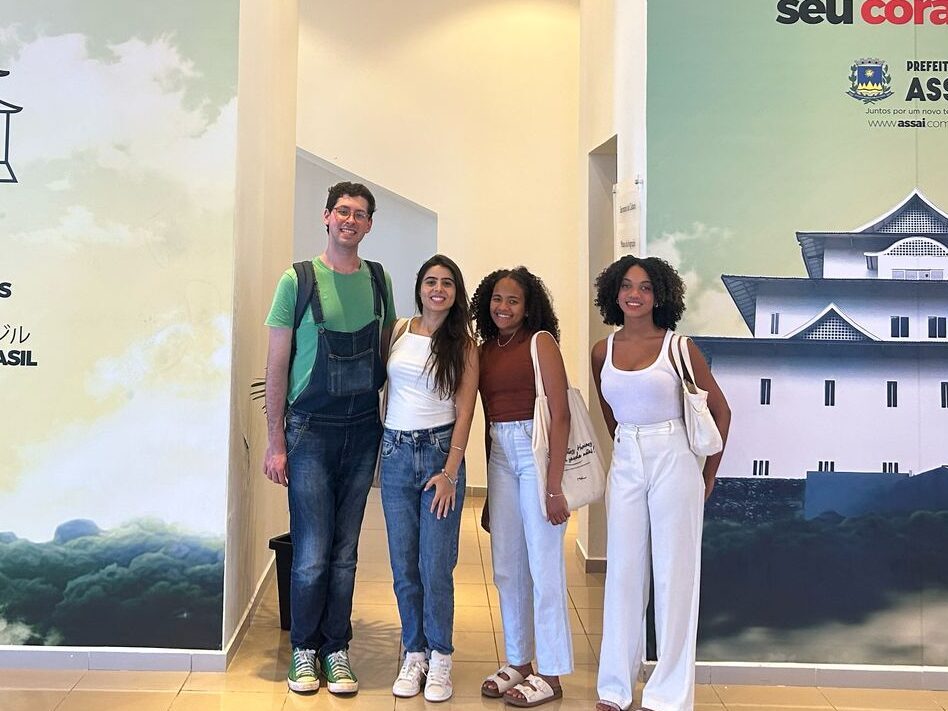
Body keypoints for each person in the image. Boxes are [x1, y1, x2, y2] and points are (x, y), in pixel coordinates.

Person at [263, 181, 396, 695]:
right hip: (309, 433)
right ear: (326, 216)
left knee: (345, 553)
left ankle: (336, 649)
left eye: (360, 214)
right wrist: (276, 443)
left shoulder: (379, 281)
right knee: (313, 552)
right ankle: (304, 649)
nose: (350, 220)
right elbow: (276, 367)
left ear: (369, 225)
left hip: (362, 430)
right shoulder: (296, 281)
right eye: (342, 211)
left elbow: (387, 359)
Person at [590, 256, 730, 711]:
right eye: (627, 286)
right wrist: (627, 447)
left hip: (674, 455)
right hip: (627, 457)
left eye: (646, 287)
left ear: (660, 296)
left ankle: (668, 694)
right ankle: (614, 687)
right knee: (623, 573)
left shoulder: (679, 347)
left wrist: (708, 474)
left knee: (675, 576)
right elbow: (611, 413)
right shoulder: (602, 351)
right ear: (614, 292)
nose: (635, 294)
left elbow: (721, 412)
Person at [380, 254, 479, 703]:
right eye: (431, 281)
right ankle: (414, 652)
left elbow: (465, 411)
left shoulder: (464, 345)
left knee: (435, 566)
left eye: (447, 283)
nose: (438, 289)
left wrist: (450, 472)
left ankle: (440, 656)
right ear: (419, 287)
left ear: (456, 293)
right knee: (404, 565)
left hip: (440, 454)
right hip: (395, 453)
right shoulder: (399, 331)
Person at [473, 267, 573, 708]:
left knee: (544, 565)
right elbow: (486, 419)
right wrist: (490, 495)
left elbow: (561, 415)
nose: (503, 307)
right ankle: (519, 661)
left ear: (528, 307)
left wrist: (553, 486)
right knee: (506, 566)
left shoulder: (540, 342)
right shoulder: (485, 350)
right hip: (500, 454)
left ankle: (550, 672)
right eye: (497, 298)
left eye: (513, 300)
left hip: (536, 452)